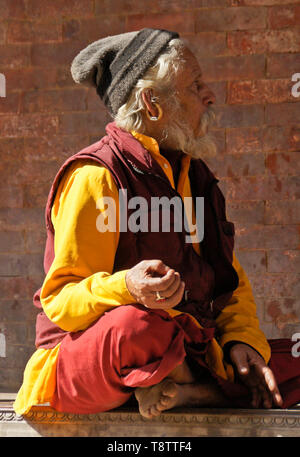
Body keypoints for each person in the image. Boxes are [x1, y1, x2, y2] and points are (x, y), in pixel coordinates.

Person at [14, 28, 300, 419]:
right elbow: (61, 302)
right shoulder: (97, 175)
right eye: (194, 86)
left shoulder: (195, 177)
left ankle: (187, 390)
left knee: (283, 361)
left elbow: (227, 281)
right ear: (152, 102)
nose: (210, 97)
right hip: (91, 360)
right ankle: (186, 383)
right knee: (139, 326)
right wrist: (127, 286)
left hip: (189, 348)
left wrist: (241, 342)